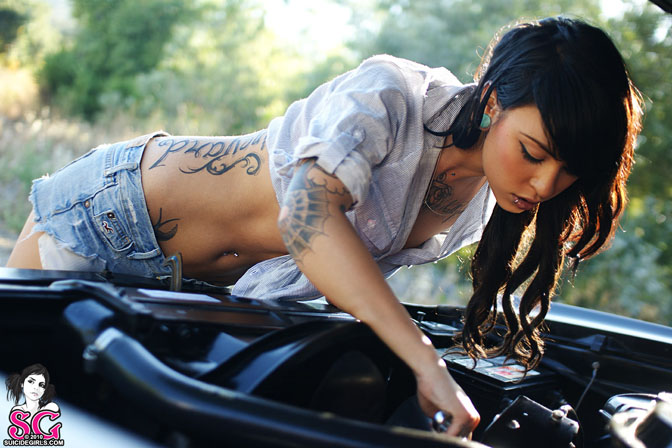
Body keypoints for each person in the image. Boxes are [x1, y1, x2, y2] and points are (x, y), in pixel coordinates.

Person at [7, 16, 643, 438]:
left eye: (568, 171)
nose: (545, 185)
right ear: (495, 100)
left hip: (181, 292)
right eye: (532, 153)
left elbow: (310, 278)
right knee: (28, 429)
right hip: (109, 216)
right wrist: (424, 363)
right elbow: (308, 216)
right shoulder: (392, 95)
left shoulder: (483, 206)